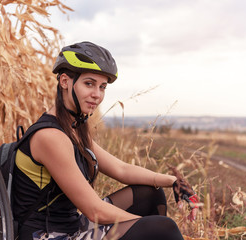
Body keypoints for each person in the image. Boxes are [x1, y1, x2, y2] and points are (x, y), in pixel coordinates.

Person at [12, 41, 199, 240]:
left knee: (150, 194)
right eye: (89, 84)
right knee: (162, 229)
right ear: (65, 82)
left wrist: (175, 182)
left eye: (102, 87)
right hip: (45, 235)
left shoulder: (73, 128)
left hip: (70, 226)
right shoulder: (50, 137)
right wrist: (146, 227)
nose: (97, 95)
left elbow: (121, 169)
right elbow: (95, 211)